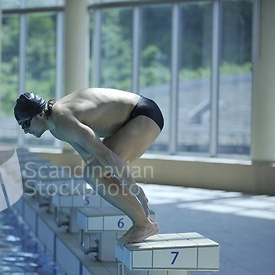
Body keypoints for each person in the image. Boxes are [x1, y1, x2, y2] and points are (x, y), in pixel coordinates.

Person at [14, 88, 164, 244]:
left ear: (39, 114)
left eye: (26, 124)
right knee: (94, 173)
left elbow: (105, 155)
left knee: (94, 174)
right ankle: (142, 222)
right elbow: (90, 157)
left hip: (143, 116)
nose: (25, 131)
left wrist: (133, 187)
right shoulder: (56, 128)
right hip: (134, 116)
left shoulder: (62, 118)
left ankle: (143, 224)